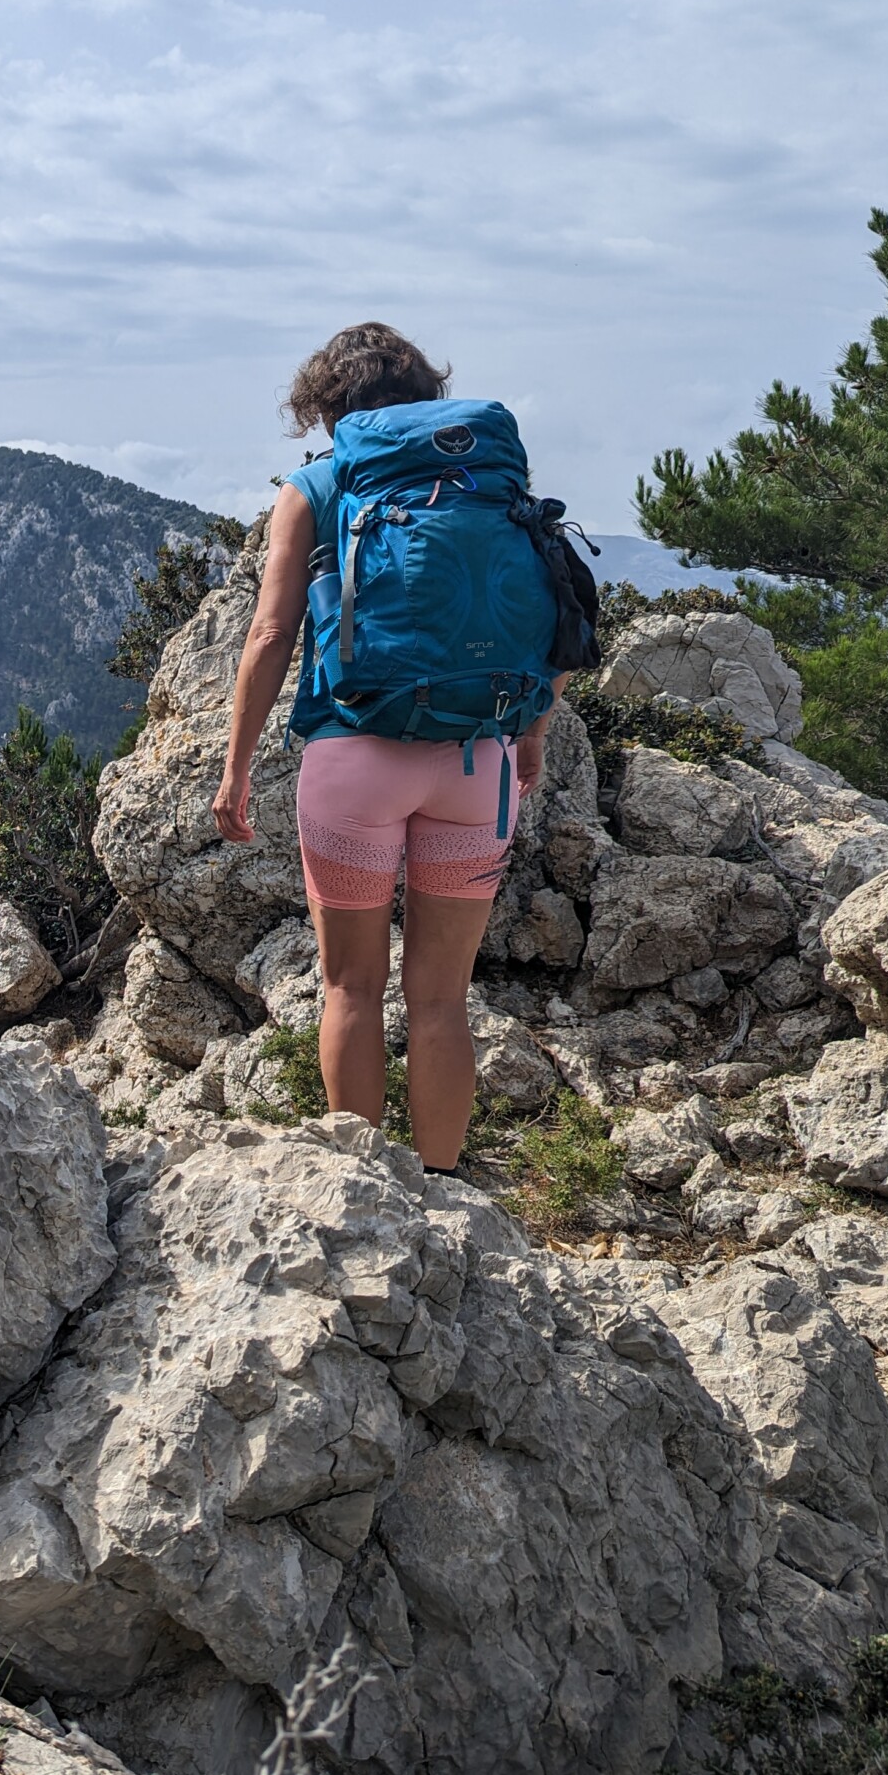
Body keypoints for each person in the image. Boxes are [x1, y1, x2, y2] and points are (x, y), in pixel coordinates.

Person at [210, 323, 567, 1173]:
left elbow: (269, 634)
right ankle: (443, 1189)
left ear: (328, 409)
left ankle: (363, 1189)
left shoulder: (317, 486)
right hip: (477, 764)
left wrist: (234, 768)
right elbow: (548, 621)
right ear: (427, 395)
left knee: (351, 990)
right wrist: (533, 736)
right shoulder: (487, 484)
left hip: (352, 759)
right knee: (443, 1000)